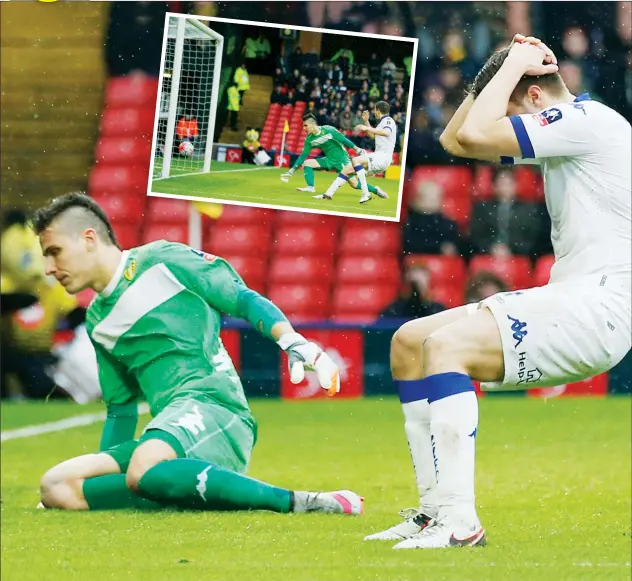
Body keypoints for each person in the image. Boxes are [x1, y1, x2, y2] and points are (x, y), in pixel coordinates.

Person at [366, 34, 631, 549]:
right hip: (578, 297)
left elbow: (482, 132)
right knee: (409, 342)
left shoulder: (589, 120)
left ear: (533, 99)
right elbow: (456, 141)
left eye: (511, 103)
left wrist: (510, 65)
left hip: (602, 306)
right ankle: (432, 512)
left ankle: (460, 522)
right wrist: (494, 73)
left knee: (446, 348)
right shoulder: (567, 132)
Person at [33, 193, 363, 515]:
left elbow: (241, 299)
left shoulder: (162, 261)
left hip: (215, 408)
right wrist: (101, 484)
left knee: (141, 469)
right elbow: (121, 410)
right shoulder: (96, 320)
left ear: (89, 238)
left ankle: (301, 501)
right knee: (57, 487)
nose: (49, 268)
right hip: (169, 430)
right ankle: (189, 490)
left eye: (55, 252)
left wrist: (291, 341)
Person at [281, 113, 387, 200]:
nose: (303, 128)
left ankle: (376, 190)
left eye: (305, 125)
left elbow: (343, 140)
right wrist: (292, 171)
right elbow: (303, 156)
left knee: (355, 184)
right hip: (329, 160)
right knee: (307, 163)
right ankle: (310, 187)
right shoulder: (309, 139)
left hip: (341, 159)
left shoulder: (328, 130)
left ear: (312, 124)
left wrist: (357, 149)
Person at [318, 101, 395, 204]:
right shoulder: (382, 123)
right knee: (346, 170)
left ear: (378, 110)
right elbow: (373, 136)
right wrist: (366, 121)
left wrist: (367, 127)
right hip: (379, 157)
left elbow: (387, 132)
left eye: (374, 110)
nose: (374, 112)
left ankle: (366, 193)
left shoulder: (388, 120)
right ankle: (328, 195)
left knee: (355, 160)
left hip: (383, 157)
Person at [470, 166, 542, 257]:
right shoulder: (482, 208)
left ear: (515, 185)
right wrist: (491, 248)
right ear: (494, 186)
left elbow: (531, 238)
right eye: (502, 183)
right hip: (487, 255)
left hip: (518, 256)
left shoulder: (528, 209)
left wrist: (511, 249)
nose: (506, 187)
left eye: (509, 183)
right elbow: (476, 236)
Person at [402, 180, 459, 256]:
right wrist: (439, 247)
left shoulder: (449, 223)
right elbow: (412, 245)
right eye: (430, 198)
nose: (434, 201)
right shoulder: (411, 222)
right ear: (420, 199)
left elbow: (452, 246)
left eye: (437, 197)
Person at [378, 265, 446, 321]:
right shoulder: (394, 310)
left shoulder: (438, 310)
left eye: (421, 284)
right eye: (413, 285)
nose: (416, 289)